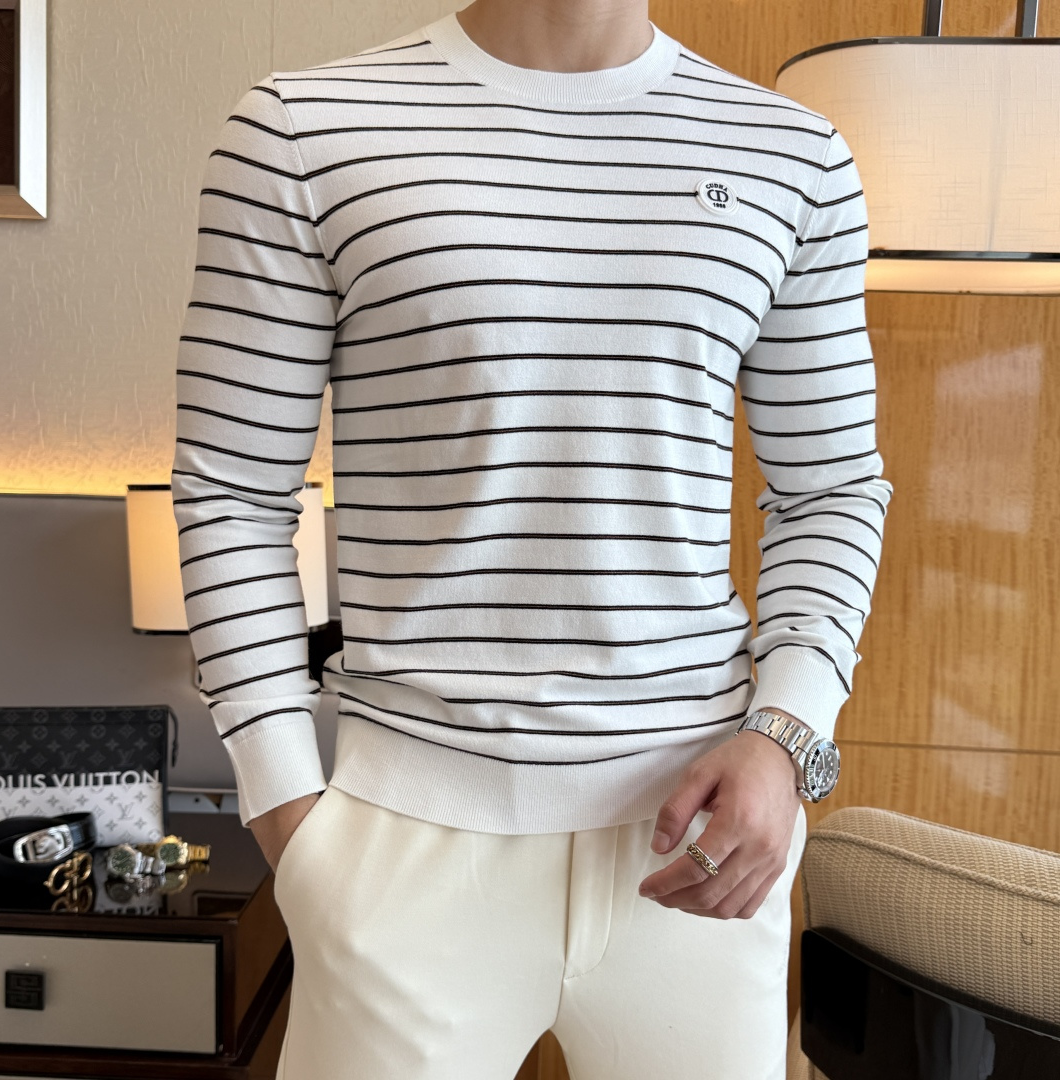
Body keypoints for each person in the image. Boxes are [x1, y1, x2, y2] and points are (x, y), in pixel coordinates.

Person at [170, 1, 891, 1077]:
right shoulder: (303, 131)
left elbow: (830, 487)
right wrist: (287, 812)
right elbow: (231, 490)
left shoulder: (793, 155)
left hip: (702, 837)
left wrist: (786, 737)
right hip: (399, 841)